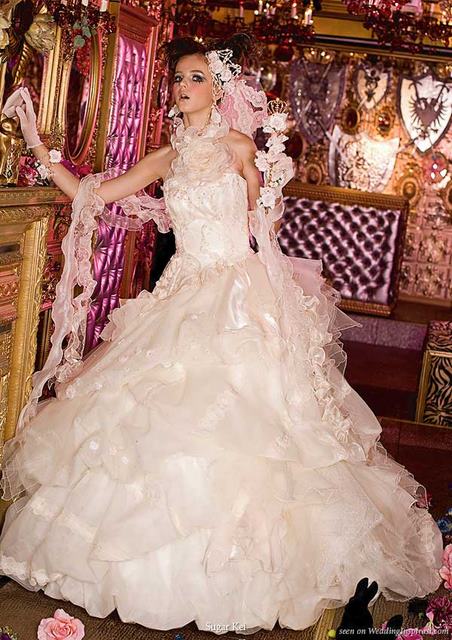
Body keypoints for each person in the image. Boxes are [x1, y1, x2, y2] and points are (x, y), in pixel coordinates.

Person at [0, 33, 444, 635]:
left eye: (197, 78)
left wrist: (273, 187)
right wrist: (36, 145)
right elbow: (92, 194)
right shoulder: (167, 156)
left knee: (254, 428)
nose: (184, 87)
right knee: (145, 415)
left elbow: (265, 227)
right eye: (178, 78)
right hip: (180, 292)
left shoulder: (239, 147)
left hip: (238, 295)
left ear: (219, 88)